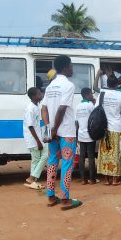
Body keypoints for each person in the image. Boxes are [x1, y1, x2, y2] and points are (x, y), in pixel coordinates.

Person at [41, 55, 82, 210]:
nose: (72, 69)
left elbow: (44, 108)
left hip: (53, 132)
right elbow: (62, 109)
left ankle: (51, 197)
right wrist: (55, 130)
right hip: (65, 132)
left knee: (52, 162)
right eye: (71, 66)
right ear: (66, 67)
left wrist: (48, 131)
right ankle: (65, 200)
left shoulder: (50, 86)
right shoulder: (68, 85)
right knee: (67, 164)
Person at [96, 75, 121, 185]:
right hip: (116, 127)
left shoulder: (102, 94)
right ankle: (115, 180)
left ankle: (107, 180)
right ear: (117, 84)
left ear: (107, 84)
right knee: (116, 154)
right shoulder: (120, 95)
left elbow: (96, 109)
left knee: (105, 154)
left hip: (104, 128)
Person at [23, 87, 47, 189]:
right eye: (39, 94)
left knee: (36, 160)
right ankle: (32, 178)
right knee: (45, 155)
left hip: (36, 138)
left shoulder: (36, 106)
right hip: (33, 139)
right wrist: (38, 141)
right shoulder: (30, 109)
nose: (41, 95)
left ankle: (32, 181)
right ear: (33, 96)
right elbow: (30, 126)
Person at [75, 87, 97, 185]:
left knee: (82, 156)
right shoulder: (90, 105)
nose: (92, 96)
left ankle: (83, 179)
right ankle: (92, 179)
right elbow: (95, 118)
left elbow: (76, 123)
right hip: (90, 134)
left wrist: (77, 136)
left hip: (81, 134)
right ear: (87, 95)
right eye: (91, 94)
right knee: (91, 157)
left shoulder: (78, 106)